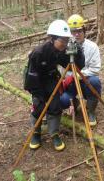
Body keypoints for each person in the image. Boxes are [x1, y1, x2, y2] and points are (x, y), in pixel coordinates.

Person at [23, 20, 85, 151]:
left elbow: (75, 66)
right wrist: (39, 94)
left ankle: (54, 133)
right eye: (62, 40)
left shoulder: (62, 51)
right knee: (39, 106)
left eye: (66, 40)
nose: (64, 43)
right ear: (52, 38)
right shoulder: (38, 53)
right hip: (36, 82)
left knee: (55, 105)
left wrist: (78, 52)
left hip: (52, 79)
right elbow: (31, 77)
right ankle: (36, 132)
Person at [60, 14, 102, 126]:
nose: (76, 34)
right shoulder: (63, 48)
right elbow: (60, 68)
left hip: (86, 82)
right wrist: (64, 80)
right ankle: (74, 102)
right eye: (73, 32)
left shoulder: (92, 47)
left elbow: (95, 69)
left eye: (79, 31)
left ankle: (90, 111)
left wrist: (76, 76)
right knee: (62, 100)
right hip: (70, 84)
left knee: (95, 82)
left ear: (84, 31)